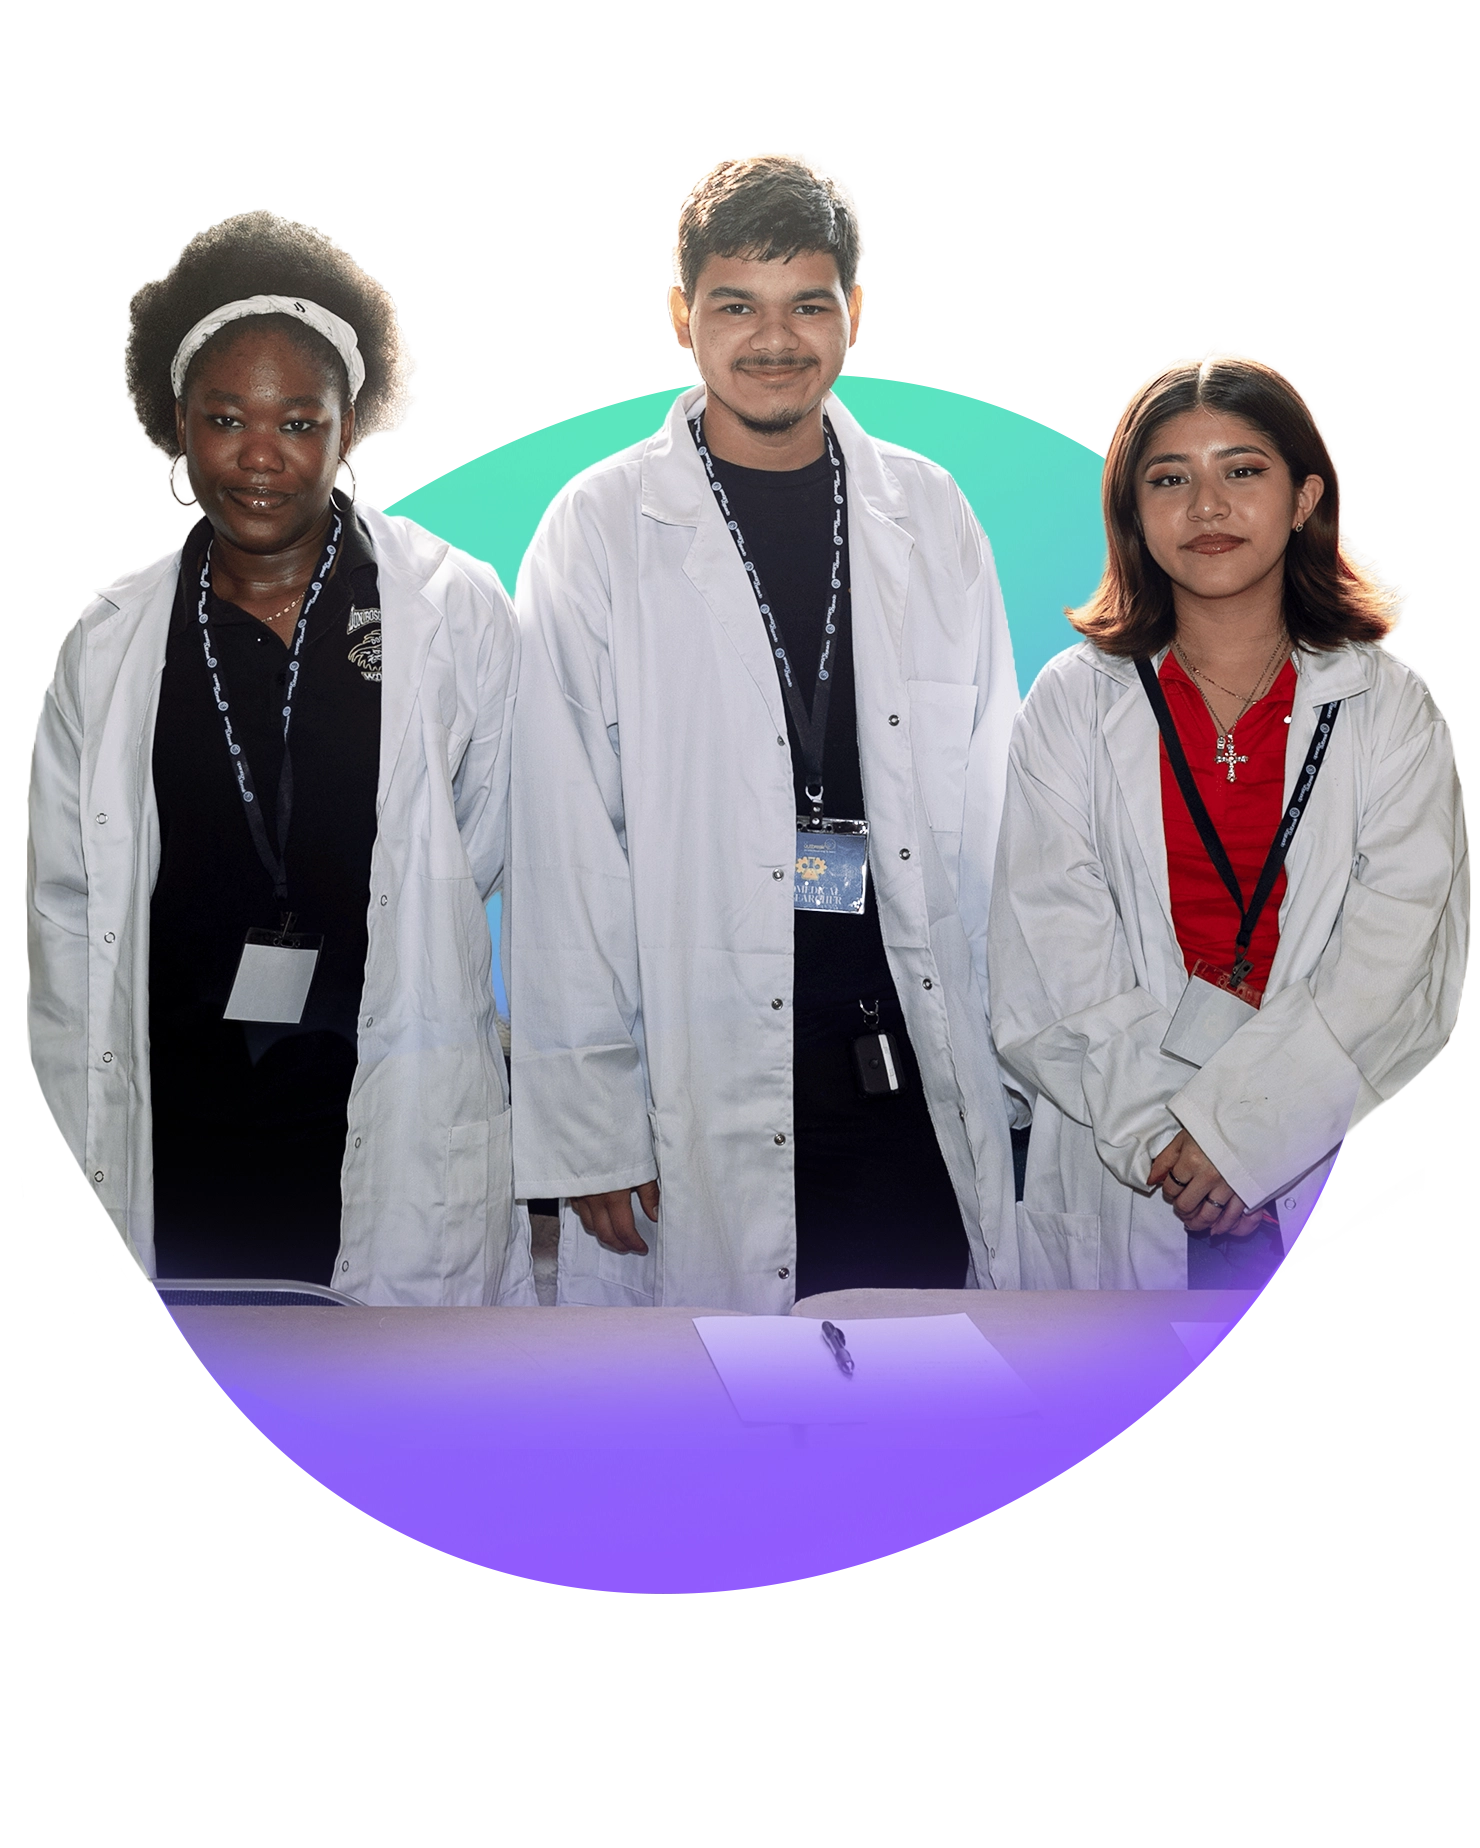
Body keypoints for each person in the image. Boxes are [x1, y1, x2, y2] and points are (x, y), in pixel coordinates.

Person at [508, 151, 1023, 1311]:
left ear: (857, 318)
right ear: (678, 314)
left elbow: (994, 810)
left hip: (909, 1056)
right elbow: (560, 838)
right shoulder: (599, 530)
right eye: (735, 304)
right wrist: (590, 1122)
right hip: (703, 1071)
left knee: (923, 1402)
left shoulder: (929, 514)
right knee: (722, 1438)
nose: (774, 339)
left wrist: (1017, 1063)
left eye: (809, 304)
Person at [26, 208, 532, 1306]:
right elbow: (68, 922)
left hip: (382, 1109)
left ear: (350, 430)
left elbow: (485, 839)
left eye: (299, 421)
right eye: (224, 419)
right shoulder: (107, 644)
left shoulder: (453, 610)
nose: (261, 456)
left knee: (386, 1439)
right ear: (175, 431)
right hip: (176, 1124)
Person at [986, 347, 1468, 1290]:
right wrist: (1180, 1144)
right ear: (1133, 512)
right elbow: (1049, 949)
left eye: (1242, 471)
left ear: (1303, 499)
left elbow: (1400, 959)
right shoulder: (1074, 702)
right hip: (1131, 1164)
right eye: (1171, 479)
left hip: (1327, 1160)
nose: (1207, 507)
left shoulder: (1389, 703)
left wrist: (1247, 1138)